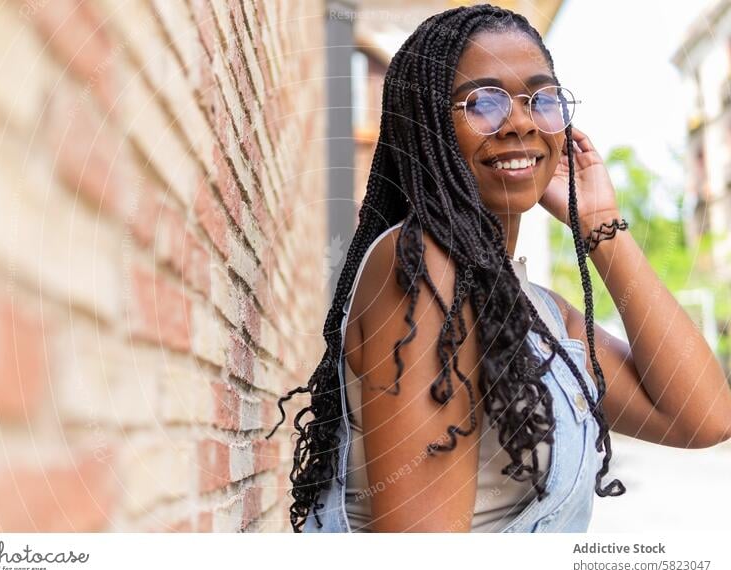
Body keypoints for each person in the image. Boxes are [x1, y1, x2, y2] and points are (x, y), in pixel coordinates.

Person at [265, 3, 731, 533]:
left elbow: (704, 417)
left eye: (542, 98)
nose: (520, 122)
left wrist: (600, 225)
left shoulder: (540, 311)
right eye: (483, 101)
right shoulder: (427, 269)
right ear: (429, 127)